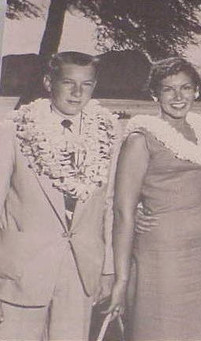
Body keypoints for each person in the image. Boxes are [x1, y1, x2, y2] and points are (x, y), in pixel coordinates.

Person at [105, 57, 201, 340]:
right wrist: (121, 279)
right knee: (162, 327)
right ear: (154, 94)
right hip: (164, 251)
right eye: (168, 89)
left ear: (197, 90)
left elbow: (198, 184)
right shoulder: (140, 138)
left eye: (186, 88)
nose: (178, 97)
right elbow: (122, 210)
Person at [0, 51, 118, 341]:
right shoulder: (14, 129)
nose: (78, 93)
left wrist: (107, 269)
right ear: (48, 82)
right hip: (22, 270)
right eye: (68, 82)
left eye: (87, 84)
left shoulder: (109, 131)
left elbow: (109, 205)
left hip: (81, 270)